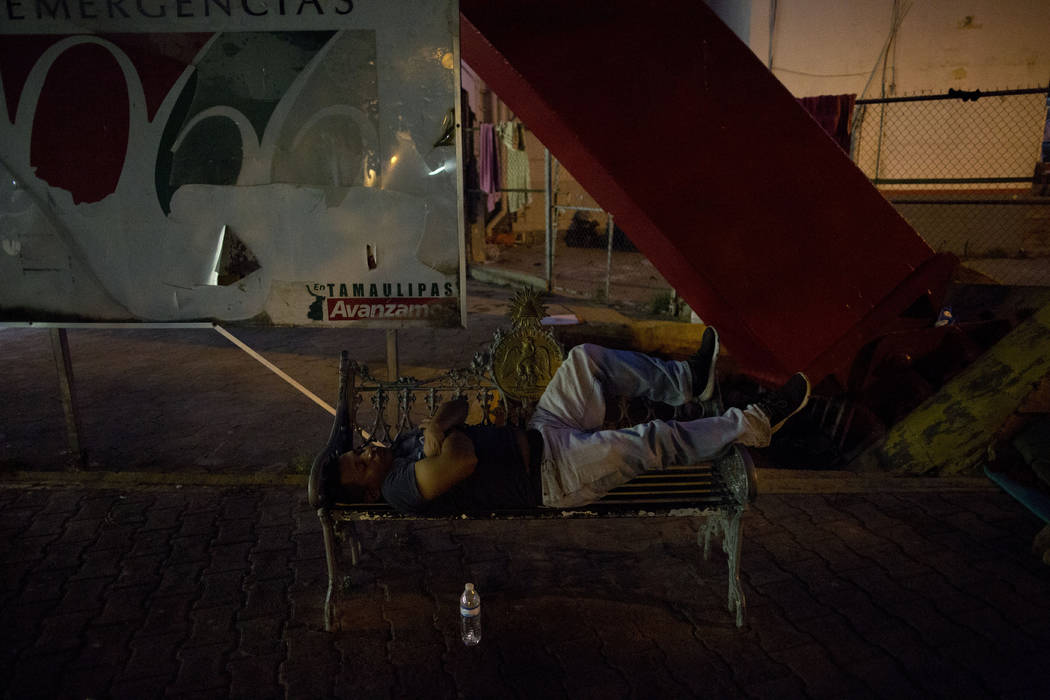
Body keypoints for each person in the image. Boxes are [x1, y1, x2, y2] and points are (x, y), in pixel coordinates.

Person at [338, 328, 811, 514]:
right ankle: (754, 423)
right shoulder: (400, 487)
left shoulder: (401, 448)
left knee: (585, 360)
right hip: (553, 476)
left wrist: (437, 426)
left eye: (357, 451)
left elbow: (459, 406)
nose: (367, 453)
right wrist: (442, 436)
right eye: (361, 464)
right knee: (650, 439)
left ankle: (688, 380)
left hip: (544, 431)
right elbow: (461, 461)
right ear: (370, 492)